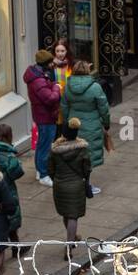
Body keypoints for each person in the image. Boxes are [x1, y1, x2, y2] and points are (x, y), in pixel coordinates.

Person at [62, 60, 111, 197]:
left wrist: (67, 123)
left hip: (74, 124)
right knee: (88, 156)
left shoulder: (67, 86)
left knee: (75, 154)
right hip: (92, 125)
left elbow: (64, 107)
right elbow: (104, 108)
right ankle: (86, 185)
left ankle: (77, 183)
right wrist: (106, 123)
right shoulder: (95, 87)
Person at [49, 117, 92, 261]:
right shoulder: (82, 149)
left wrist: (57, 178)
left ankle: (72, 237)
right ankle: (69, 245)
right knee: (73, 215)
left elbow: (50, 169)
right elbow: (87, 169)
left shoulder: (55, 150)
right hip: (76, 185)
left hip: (60, 185)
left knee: (66, 213)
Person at [23, 49, 61, 186]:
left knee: (41, 144)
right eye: (50, 62)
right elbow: (50, 98)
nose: (52, 64)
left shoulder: (37, 75)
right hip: (45, 116)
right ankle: (44, 174)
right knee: (45, 146)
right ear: (45, 63)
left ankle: (40, 170)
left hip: (41, 115)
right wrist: (56, 88)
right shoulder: (38, 80)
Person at [0, 123, 23, 260]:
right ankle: (15, 248)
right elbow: (17, 173)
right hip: (7, 191)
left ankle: (17, 247)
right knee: (11, 219)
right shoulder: (9, 156)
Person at [52, 40, 73, 131]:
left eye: (62, 51)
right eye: (57, 51)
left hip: (69, 98)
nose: (60, 54)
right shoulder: (51, 65)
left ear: (67, 51)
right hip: (56, 99)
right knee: (58, 124)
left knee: (68, 123)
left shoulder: (72, 64)